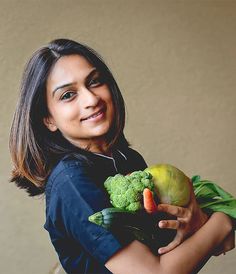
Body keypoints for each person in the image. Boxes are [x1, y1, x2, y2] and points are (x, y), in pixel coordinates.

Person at [9, 38, 234, 274]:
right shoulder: (72, 183)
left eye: (94, 82)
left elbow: (171, 252)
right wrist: (223, 222)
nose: (91, 99)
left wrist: (198, 224)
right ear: (48, 119)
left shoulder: (127, 159)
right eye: (68, 95)